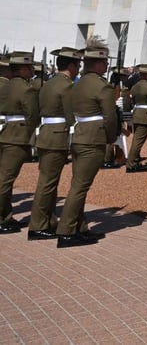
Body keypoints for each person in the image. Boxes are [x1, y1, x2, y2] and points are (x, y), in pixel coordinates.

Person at [56, 38, 118, 247]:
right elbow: (110, 118)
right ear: (98, 63)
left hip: (80, 134)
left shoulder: (78, 83)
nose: (107, 65)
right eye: (105, 62)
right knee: (80, 187)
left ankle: (78, 227)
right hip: (94, 138)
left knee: (78, 185)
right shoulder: (103, 87)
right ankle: (66, 231)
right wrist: (111, 138)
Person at [26, 47, 81, 239]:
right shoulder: (67, 86)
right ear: (71, 66)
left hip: (46, 134)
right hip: (57, 135)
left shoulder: (48, 83)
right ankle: (37, 224)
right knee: (47, 183)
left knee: (49, 182)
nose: (79, 67)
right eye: (78, 64)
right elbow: (70, 115)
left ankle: (48, 220)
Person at [0, 51, 41, 234]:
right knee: (6, 180)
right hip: (17, 136)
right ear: (23, 69)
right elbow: (33, 116)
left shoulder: (6, 86)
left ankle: (6, 215)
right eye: (30, 67)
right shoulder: (27, 89)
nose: (33, 70)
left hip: (4, 131)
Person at [125, 65, 147, 172]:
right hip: (146, 114)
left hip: (137, 112)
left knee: (137, 139)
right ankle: (131, 163)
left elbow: (132, 100)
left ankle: (134, 161)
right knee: (138, 140)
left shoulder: (135, 86)